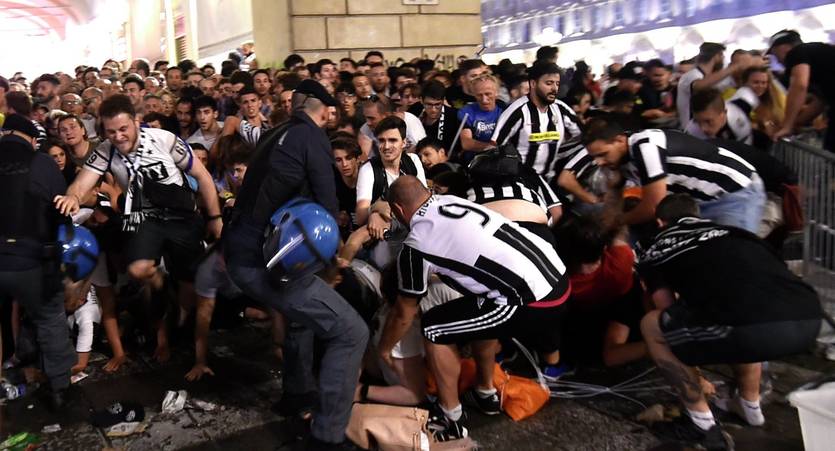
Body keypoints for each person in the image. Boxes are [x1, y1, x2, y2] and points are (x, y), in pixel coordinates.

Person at [222, 79, 367, 450]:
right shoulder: (313, 139)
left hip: (240, 250)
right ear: (323, 109)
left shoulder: (277, 132)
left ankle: (297, 394)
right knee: (351, 332)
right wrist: (334, 265)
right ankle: (327, 437)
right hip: (263, 260)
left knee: (303, 316)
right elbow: (327, 208)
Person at [379, 175, 571, 441]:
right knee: (478, 308)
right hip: (558, 276)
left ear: (399, 209)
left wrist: (385, 348)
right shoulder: (450, 201)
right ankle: (485, 391)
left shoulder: (416, 244)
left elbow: (404, 311)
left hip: (533, 300)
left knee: (434, 327)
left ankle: (451, 416)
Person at [638, 194, 822, 450]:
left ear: (660, 222)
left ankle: (700, 424)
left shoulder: (656, 245)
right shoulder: (736, 233)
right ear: (698, 216)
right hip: (809, 317)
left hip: (752, 327)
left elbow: (665, 306)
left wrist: (696, 373)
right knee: (738, 306)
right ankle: (749, 406)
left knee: (653, 325)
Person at [54, 94, 222, 363]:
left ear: (135, 122)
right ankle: (160, 283)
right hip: (145, 217)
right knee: (138, 269)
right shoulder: (105, 150)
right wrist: (73, 196)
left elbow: (202, 176)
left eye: (123, 129)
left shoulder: (164, 139)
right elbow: (84, 181)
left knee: (189, 290)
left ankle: (182, 326)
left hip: (181, 215)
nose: (118, 137)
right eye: (111, 132)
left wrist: (214, 217)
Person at [0, 114, 77, 408]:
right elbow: (62, 210)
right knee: (50, 319)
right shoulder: (42, 162)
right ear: (32, 139)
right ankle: (59, 387)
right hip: (33, 261)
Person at [582, 116, 766, 234]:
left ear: (620, 140)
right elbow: (614, 191)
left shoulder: (646, 147)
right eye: (595, 157)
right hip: (702, 200)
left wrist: (618, 221)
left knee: (736, 255)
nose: (599, 162)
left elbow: (654, 205)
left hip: (736, 194)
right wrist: (608, 219)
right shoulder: (619, 156)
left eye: (603, 154)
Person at [492, 61, 585, 178]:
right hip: (521, 179)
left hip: (550, 177)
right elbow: (495, 146)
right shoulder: (517, 111)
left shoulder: (561, 108)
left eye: (557, 83)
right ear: (533, 84)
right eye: (549, 83)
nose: (554, 88)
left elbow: (583, 136)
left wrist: (561, 154)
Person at [769, 30, 835, 150]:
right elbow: (820, 102)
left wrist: (787, 126)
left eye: (774, 54)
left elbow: (799, 86)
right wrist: (796, 123)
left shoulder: (796, 52)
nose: (777, 61)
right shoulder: (821, 57)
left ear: (783, 47)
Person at [355, 115, 427, 226]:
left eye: (392, 140)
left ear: (404, 143)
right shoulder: (368, 169)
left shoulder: (413, 160)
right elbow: (360, 217)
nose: (386, 146)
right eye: (381, 140)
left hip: (415, 223)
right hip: (385, 228)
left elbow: (426, 201)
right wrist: (374, 209)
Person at [676, 42, 760, 126]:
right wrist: (736, 66)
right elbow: (699, 86)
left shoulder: (710, 78)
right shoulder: (692, 75)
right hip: (691, 129)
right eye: (722, 56)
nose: (724, 59)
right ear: (717, 56)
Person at [685, 88, 753, 145]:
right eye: (697, 121)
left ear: (724, 113)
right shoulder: (691, 132)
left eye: (708, 121)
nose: (703, 128)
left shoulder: (739, 122)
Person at [459, 74, 504, 157]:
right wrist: (492, 148)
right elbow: (466, 143)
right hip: (475, 159)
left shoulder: (505, 109)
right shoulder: (466, 112)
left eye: (488, 94)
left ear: (497, 92)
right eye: (479, 95)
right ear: (474, 94)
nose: (484, 100)